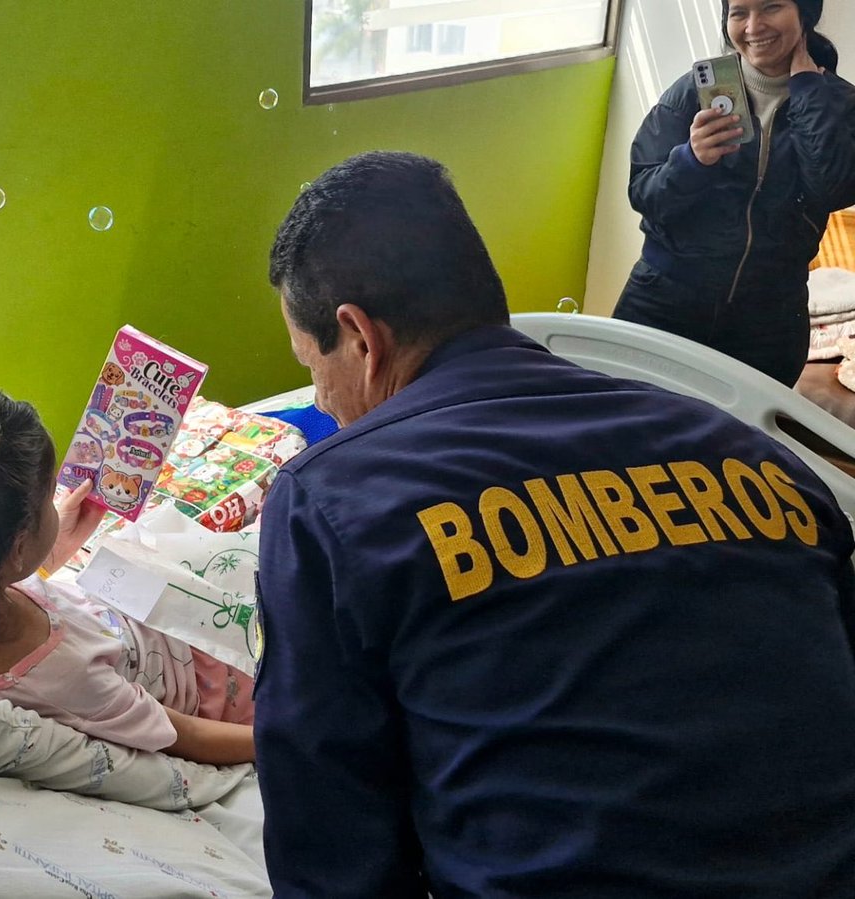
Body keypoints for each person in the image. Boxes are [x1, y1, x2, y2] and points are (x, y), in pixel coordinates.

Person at [253, 150, 855, 897]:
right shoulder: (755, 456)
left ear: (360, 336)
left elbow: (331, 848)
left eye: (313, 370)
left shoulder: (336, 495)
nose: (325, 403)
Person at [0, 389, 255, 765]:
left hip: (126, 606)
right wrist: (292, 736)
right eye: (49, 497)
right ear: (16, 548)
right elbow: (188, 737)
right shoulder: (64, 677)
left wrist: (53, 548)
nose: (57, 504)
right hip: (208, 675)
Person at [613, 0, 855, 387]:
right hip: (663, 300)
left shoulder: (838, 101)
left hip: (769, 320)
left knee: (742, 444)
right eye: (739, 12)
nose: (753, 25)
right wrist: (691, 162)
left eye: (771, 7)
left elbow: (832, 188)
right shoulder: (692, 92)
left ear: (804, 13)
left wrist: (808, 90)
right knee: (626, 426)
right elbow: (644, 192)